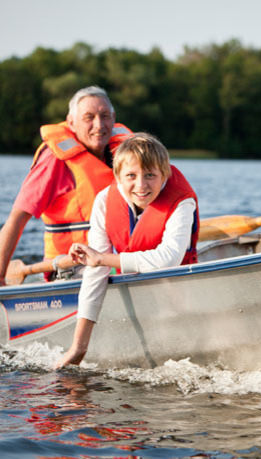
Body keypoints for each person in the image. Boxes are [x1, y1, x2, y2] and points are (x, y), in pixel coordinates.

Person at [54, 133, 199, 368]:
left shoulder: (181, 201)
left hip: (176, 293)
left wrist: (102, 258)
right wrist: (79, 346)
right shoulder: (104, 200)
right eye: (131, 176)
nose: (141, 185)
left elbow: (169, 259)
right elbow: (95, 271)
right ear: (118, 177)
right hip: (135, 286)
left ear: (165, 175)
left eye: (150, 175)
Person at [0, 86, 133, 302]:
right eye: (89, 118)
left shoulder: (127, 155)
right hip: (70, 268)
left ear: (114, 118)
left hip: (115, 261)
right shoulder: (54, 161)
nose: (99, 125)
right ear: (71, 123)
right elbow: (16, 219)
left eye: (105, 116)